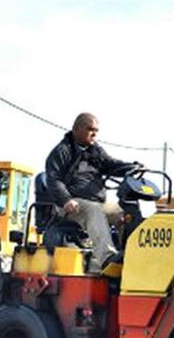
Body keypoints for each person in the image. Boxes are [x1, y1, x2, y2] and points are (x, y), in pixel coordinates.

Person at [45, 112, 140, 271]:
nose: (94, 133)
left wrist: (132, 167)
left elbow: (111, 164)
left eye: (96, 130)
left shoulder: (94, 150)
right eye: (90, 129)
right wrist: (66, 199)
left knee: (124, 212)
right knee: (93, 210)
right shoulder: (62, 151)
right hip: (70, 203)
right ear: (76, 129)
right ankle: (107, 258)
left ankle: (130, 256)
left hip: (96, 202)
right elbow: (54, 180)